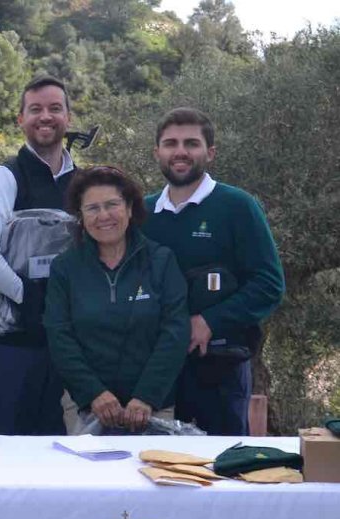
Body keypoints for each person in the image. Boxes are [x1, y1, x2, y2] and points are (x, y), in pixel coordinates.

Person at [142, 107, 285, 435]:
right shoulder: (144, 212)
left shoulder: (237, 206)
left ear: (210, 152)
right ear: (157, 153)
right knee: (152, 469)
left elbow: (269, 284)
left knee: (223, 470)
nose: (180, 151)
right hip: (155, 372)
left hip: (220, 367)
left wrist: (209, 321)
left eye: (191, 143)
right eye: (171, 143)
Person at [0, 75, 76, 435]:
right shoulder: (4, 177)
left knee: (68, 452)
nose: (46, 117)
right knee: (10, 449)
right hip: (12, 344)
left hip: (72, 343)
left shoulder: (86, 183)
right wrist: (29, 296)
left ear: (68, 117)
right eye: (36, 109)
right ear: (20, 119)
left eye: (55, 108)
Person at [44, 167, 189, 435]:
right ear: (81, 216)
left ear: (130, 208)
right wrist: (94, 393)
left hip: (153, 406)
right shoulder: (65, 267)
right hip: (86, 406)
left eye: (112, 205)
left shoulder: (161, 261)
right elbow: (59, 336)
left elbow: (175, 332)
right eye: (92, 208)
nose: (104, 216)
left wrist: (147, 396)